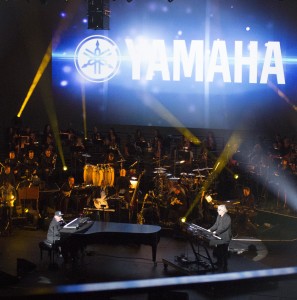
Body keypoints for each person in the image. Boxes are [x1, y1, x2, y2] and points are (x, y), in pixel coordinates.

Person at [208, 204, 232, 272]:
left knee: (224, 251)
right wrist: (210, 229)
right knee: (218, 249)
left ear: (223, 210)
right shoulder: (218, 216)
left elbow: (224, 227)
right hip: (219, 236)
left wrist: (216, 232)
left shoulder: (227, 217)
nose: (217, 211)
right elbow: (216, 225)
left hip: (225, 237)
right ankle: (219, 262)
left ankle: (225, 265)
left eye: (219, 210)